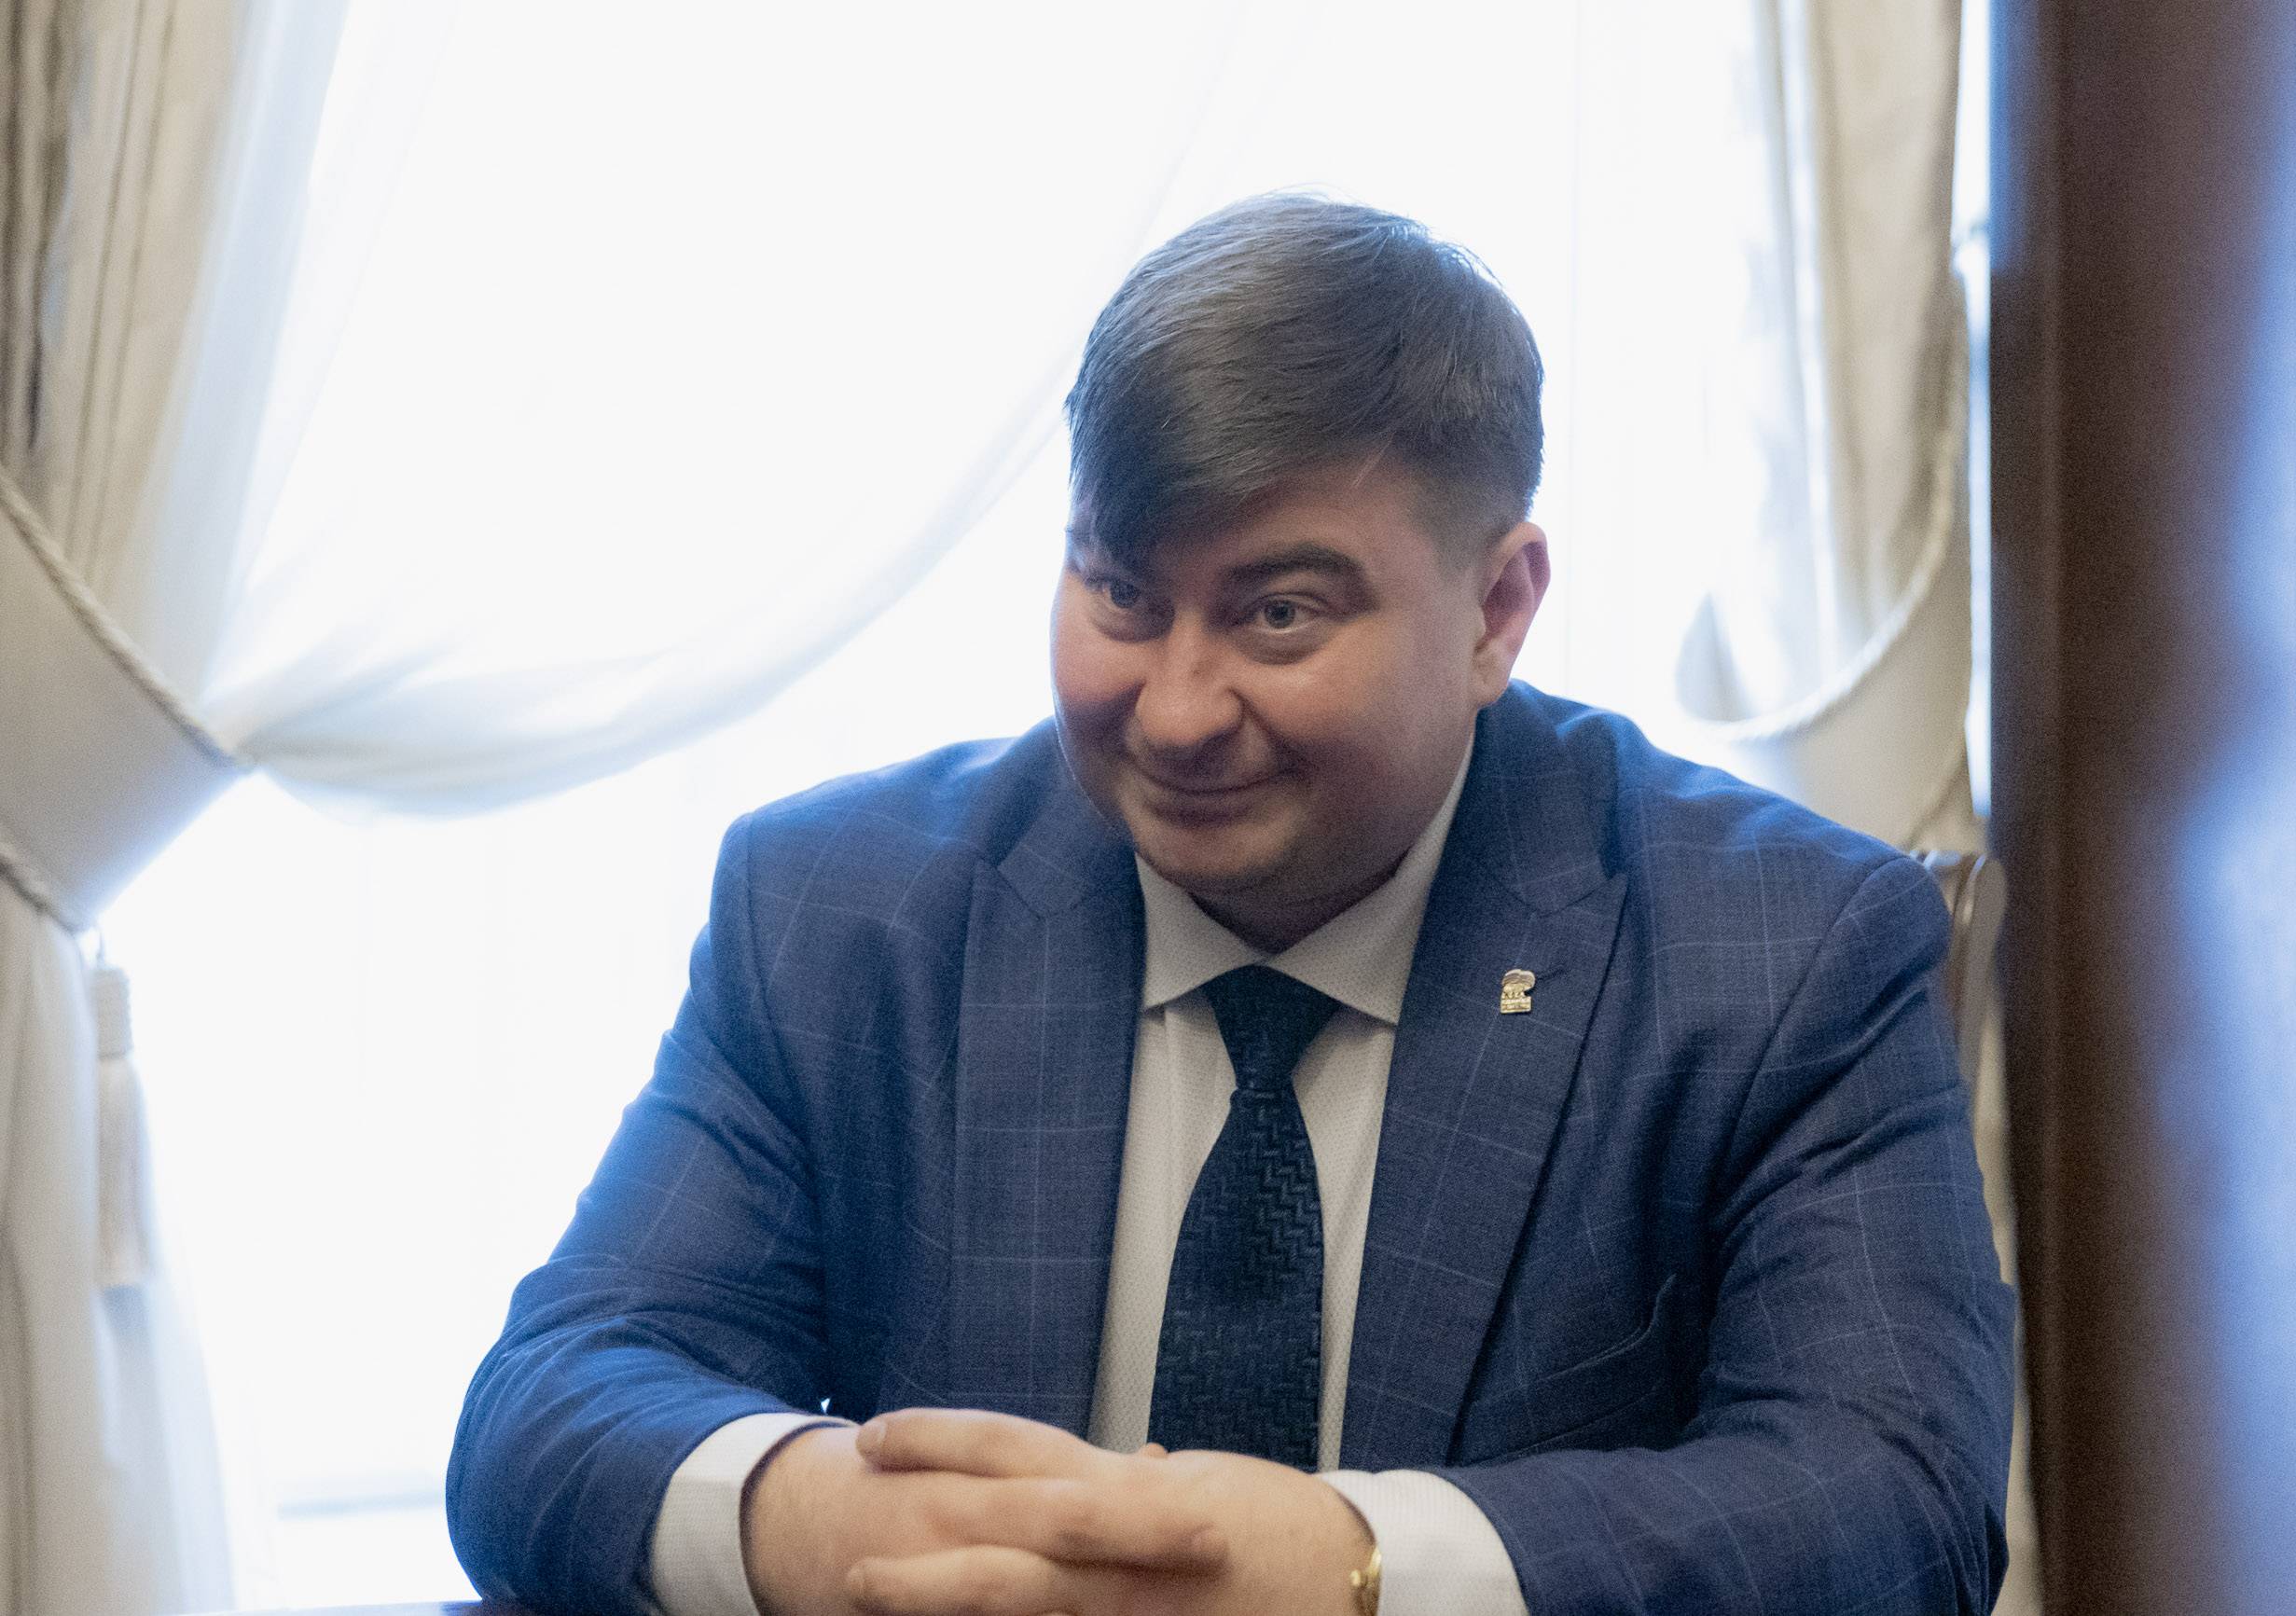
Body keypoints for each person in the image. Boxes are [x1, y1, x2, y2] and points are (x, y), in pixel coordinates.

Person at [447, 193, 2014, 1616]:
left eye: (1278, 613)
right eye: (1123, 592)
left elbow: (1897, 1503)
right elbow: (555, 1397)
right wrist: (818, 1515)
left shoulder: (1783, 951)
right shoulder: (846, 914)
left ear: (1496, 609)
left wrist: (1352, 1567)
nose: (1179, 710)